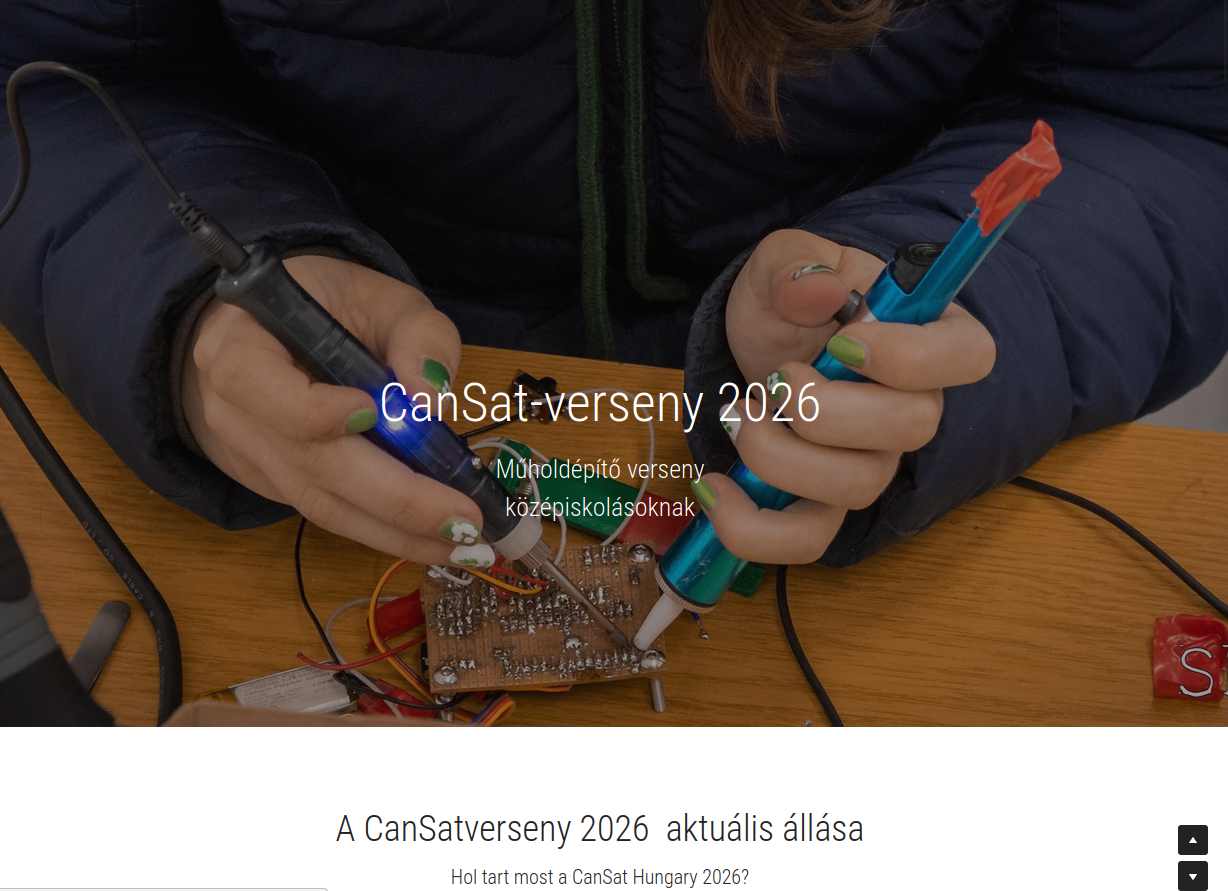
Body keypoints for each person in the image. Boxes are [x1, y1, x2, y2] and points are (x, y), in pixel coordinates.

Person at [0, 0, 1225, 572]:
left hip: (840, 444)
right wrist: (185, 305)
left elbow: (1170, 114)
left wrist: (951, 323)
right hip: (345, 412)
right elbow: (55, 80)